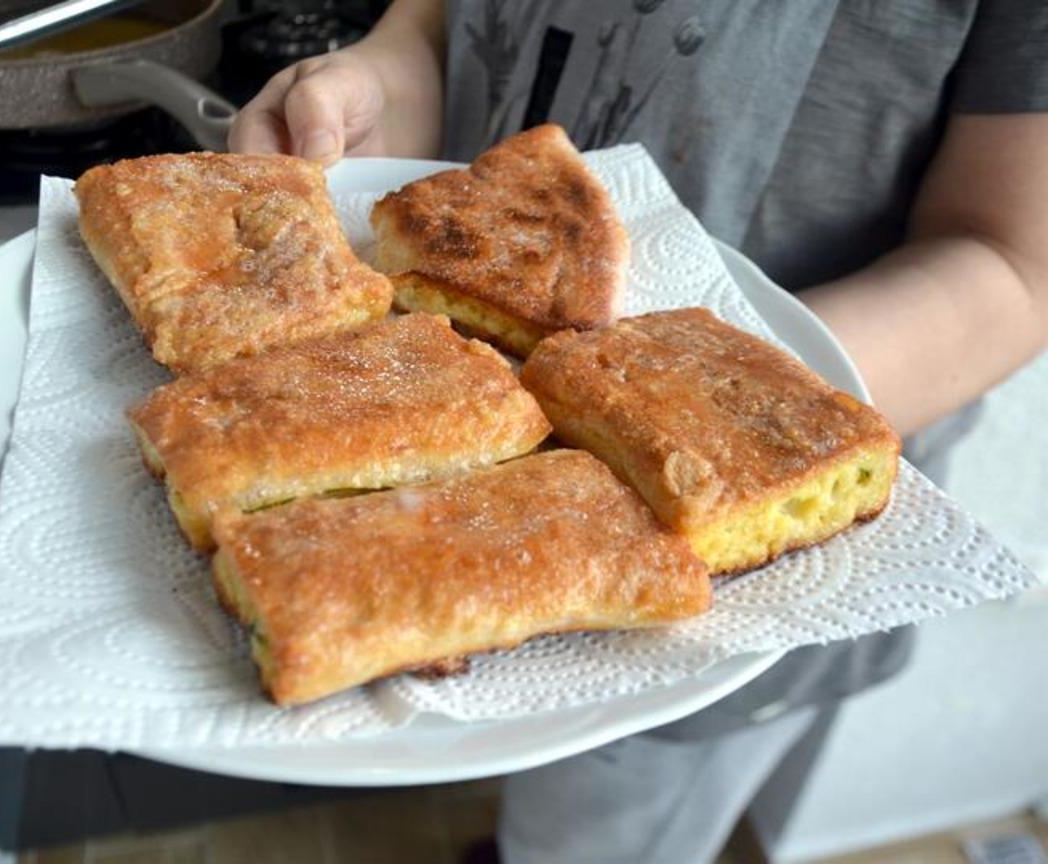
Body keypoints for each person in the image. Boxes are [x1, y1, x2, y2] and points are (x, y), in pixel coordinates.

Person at [228, 1, 1048, 861]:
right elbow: (451, 23)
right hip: (444, 378)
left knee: (591, 833)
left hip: (743, 552)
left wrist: (685, 386)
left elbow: (1016, 263)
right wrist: (388, 80)